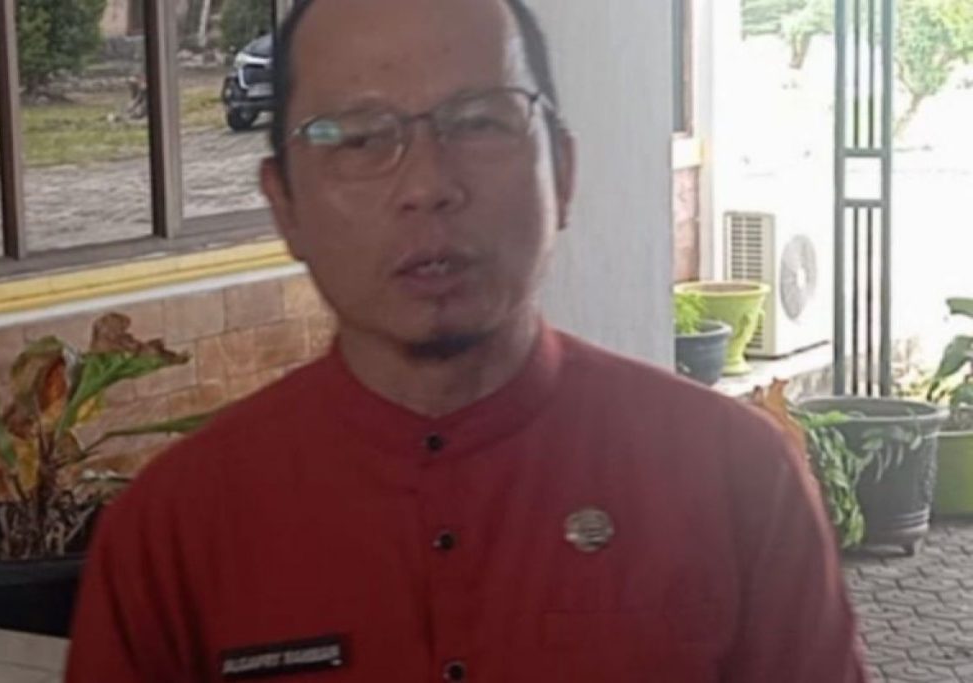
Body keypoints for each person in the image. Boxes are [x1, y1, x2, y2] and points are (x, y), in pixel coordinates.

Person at [66, 0, 869, 681]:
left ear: (563, 172)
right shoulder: (173, 531)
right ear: (285, 208)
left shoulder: (734, 476)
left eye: (479, 122)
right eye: (358, 138)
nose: (428, 186)